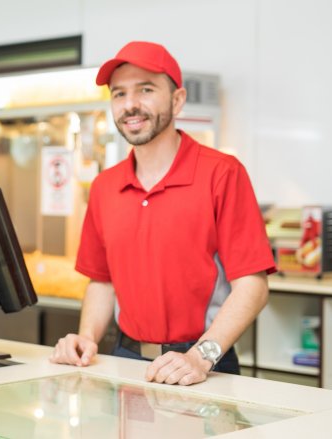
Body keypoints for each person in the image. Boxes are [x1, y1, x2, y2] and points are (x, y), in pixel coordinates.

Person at [50, 41, 275, 386]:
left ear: (178, 99)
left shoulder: (222, 174)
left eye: (146, 89)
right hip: (125, 359)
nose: (131, 105)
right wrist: (87, 338)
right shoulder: (105, 187)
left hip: (205, 363)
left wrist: (201, 357)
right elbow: (102, 280)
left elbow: (253, 286)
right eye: (119, 94)